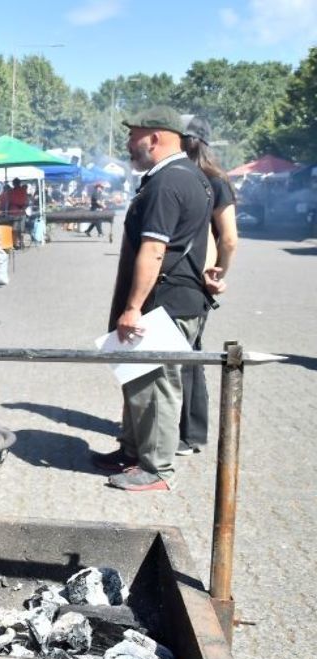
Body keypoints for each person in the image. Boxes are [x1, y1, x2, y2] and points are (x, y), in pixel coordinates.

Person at [91, 107, 213, 492]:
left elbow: (155, 249)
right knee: (137, 379)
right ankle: (131, 450)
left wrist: (132, 307)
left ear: (156, 138)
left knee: (156, 385)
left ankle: (157, 469)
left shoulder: (166, 182)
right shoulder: (192, 178)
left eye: (134, 136)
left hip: (163, 302)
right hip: (172, 298)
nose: (128, 144)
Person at [178, 115, 239, 456]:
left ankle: (191, 432)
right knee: (182, 353)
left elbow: (229, 238)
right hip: (183, 276)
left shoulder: (215, 181)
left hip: (196, 278)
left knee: (189, 355)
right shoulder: (187, 177)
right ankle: (181, 429)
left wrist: (218, 273)